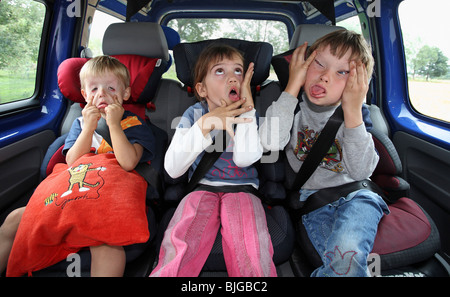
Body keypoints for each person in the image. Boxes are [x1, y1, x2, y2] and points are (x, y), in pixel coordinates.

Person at [0, 55, 155, 276]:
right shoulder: (80, 123)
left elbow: (128, 162)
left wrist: (113, 124)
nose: (101, 94)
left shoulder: (134, 123)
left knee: (105, 241)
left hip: (109, 194)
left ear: (126, 94)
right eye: (94, 89)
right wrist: (88, 129)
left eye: (111, 88)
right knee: (14, 218)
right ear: (84, 94)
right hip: (75, 186)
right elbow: (72, 161)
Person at [260, 30, 389, 277]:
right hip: (313, 201)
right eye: (318, 63)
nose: (325, 76)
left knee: (347, 256)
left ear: (358, 83)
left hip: (359, 197)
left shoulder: (357, 114)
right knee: (343, 268)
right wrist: (292, 86)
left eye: (343, 72)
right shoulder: (293, 107)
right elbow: (268, 142)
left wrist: (352, 110)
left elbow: (362, 171)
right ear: (304, 65)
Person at [150, 44, 276, 277]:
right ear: (202, 88)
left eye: (238, 71)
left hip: (243, 190)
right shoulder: (193, 116)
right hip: (201, 188)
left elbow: (245, 159)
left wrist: (246, 111)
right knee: (181, 242)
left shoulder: (249, 115)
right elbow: (173, 169)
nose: (232, 78)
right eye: (220, 71)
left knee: (250, 244)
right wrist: (205, 125)